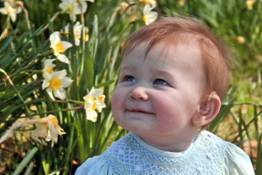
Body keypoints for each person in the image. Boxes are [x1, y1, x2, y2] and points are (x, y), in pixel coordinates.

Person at [75, 16, 255, 175]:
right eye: (129, 78)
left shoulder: (222, 159)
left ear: (204, 108)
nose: (137, 91)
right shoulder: (111, 167)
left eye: (160, 82)